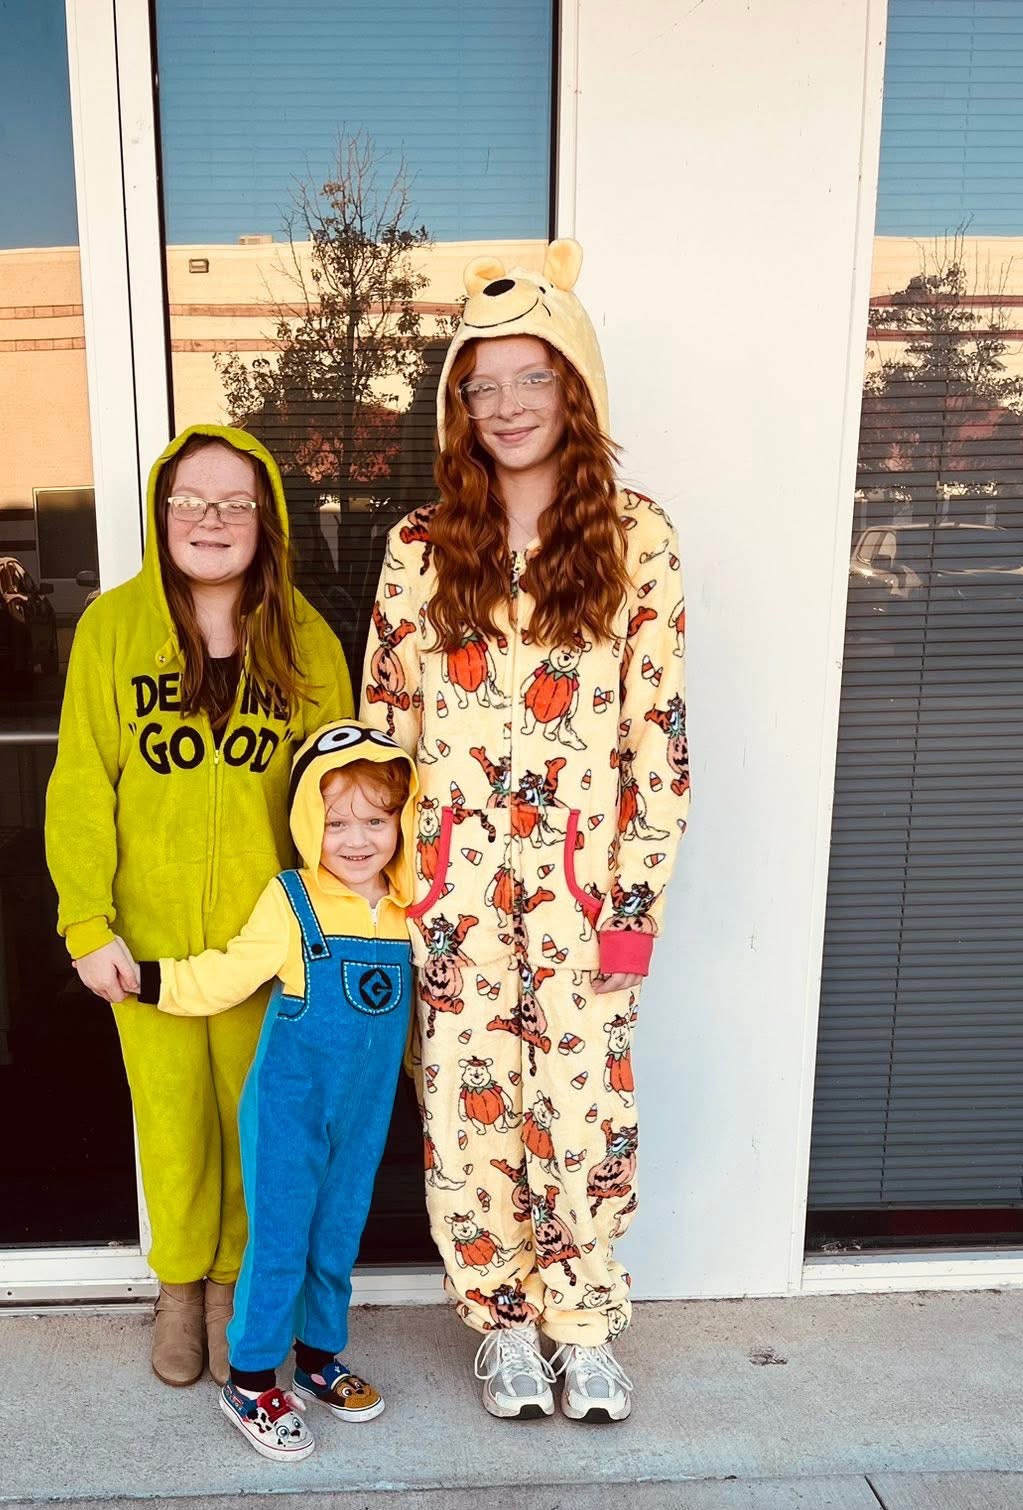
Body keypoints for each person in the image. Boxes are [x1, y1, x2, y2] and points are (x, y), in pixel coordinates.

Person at [360, 238, 690, 1425]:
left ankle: (584, 1321)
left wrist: (632, 906)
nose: (506, 405)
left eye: (531, 377)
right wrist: (386, 890)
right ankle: (500, 1323)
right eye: (481, 384)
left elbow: (658, 739)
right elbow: (384, 731)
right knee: (468, 1116)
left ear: (574, 385)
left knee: (586, 1116)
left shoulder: (637, 539)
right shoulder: (418, 547)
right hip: (449, 899)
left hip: (586, 898)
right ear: (459, 406)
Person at [46, 426, 352, 1389]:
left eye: (232, 504)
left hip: (271, 949)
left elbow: (337, 799)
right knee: (173, 1124)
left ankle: (236, 1293)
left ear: (266, 521)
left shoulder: (306, 640)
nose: (208, 520)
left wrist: (332, 928)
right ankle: (179, 1288)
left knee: (260, 1129)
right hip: (151, 946)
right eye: (189, 500)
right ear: (160, 512)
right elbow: (81, 785)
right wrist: (87, 922)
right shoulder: (111, 630)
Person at [131, 723, 417, 1461]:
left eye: (375, 820)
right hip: (289, 1105)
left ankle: (319, 1358)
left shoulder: (411, 905)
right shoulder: (294, 901)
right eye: (336, 821)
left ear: (402, 820)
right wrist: (151, 981)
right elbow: (228, 973)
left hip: (363, 1112)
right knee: (281, 1238)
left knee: (339, 1231)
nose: (356, 839)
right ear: (306, 820)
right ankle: (252, 1379)